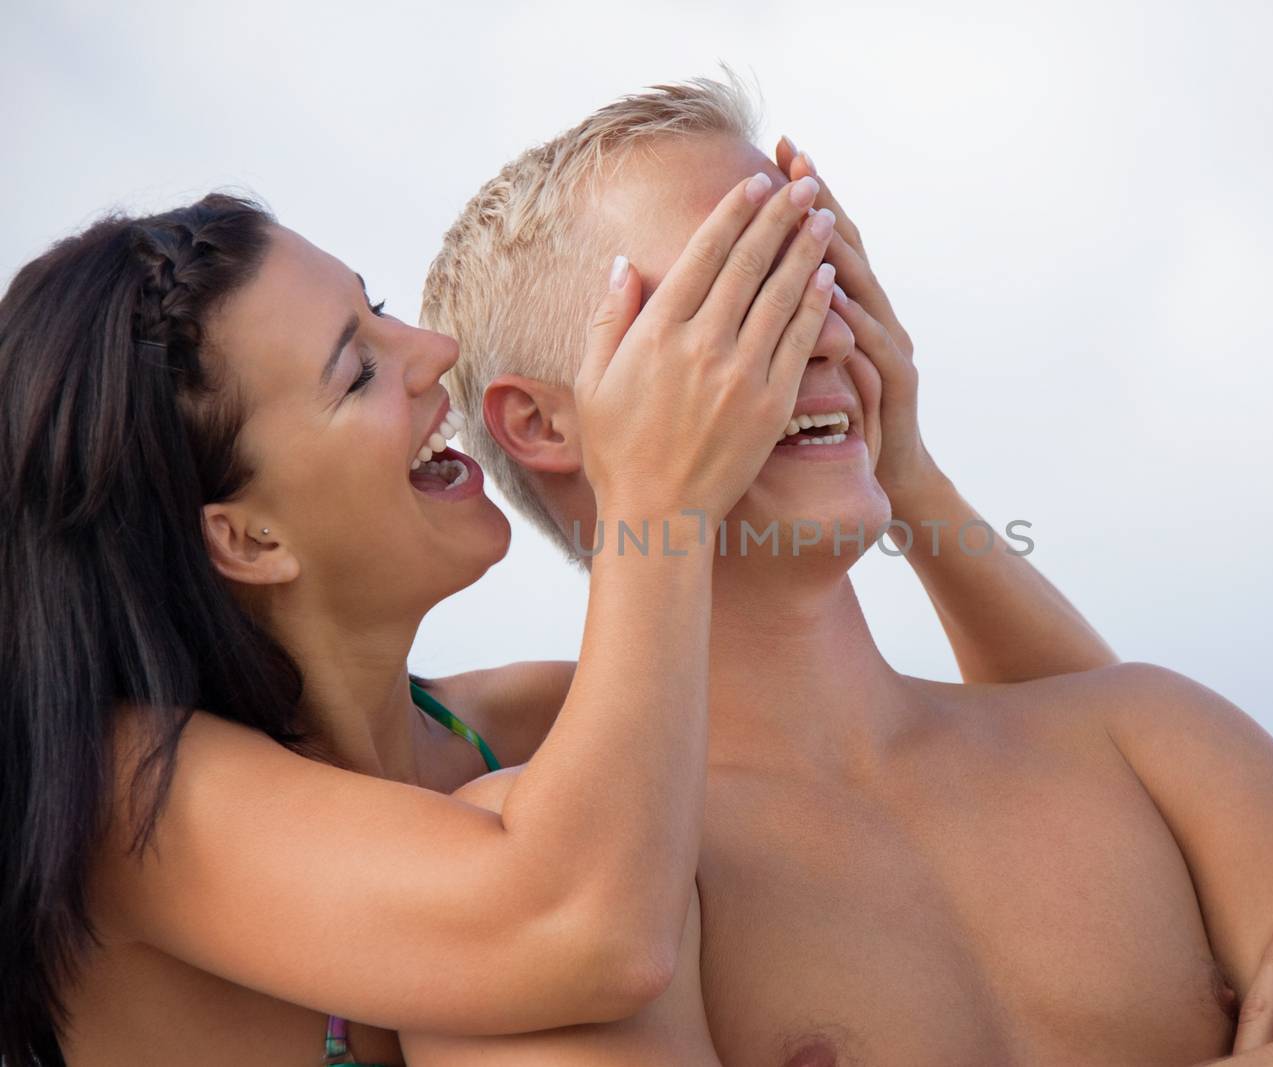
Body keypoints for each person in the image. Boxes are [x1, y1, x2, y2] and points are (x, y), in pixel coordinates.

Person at [407, 76, 1273, 1064]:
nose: (818, 329)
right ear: (542, 425)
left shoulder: (1138, 736)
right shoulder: (550, 874)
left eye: (819, 269)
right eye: (735, 294)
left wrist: (902, 463)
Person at [0, 174, 843, 1065]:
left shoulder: (531, 723)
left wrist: (912, 481)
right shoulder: (131, 798)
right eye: (359, 371)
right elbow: (585, 930)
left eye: (383, 309)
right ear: (247, 537)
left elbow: (917, 771)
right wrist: (660, 502)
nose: (435, 349)